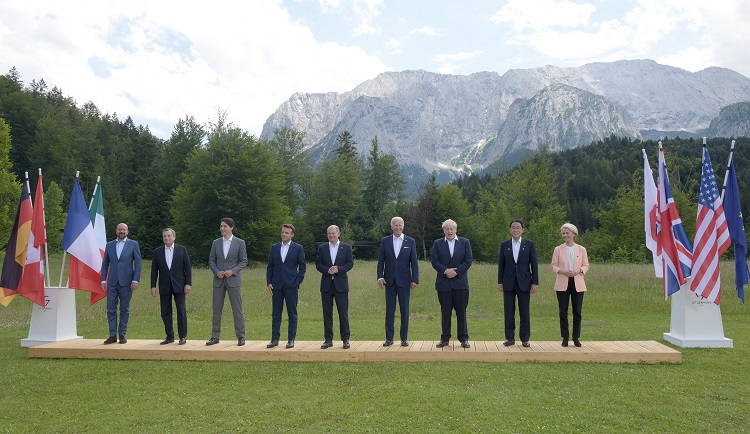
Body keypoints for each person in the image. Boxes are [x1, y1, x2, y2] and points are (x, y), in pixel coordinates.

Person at [377, 216, 419, 347]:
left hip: (405, 281)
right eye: (395, 225)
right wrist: (380, 277)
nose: (398, 227)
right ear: (391, 227)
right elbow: (380, 261)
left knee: (404, 311)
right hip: (389, 281)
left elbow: (414, 262)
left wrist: (415, 279)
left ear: (403, 226)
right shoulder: (385, 241)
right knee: (390, 311)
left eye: (400, 225)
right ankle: (389, 338)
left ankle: (404, 338)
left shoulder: (410, 241)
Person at [430, 219, 473, 349]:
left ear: (456, 230)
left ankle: (464, 338)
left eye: (451, 229)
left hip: (460, 284)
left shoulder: (465, 242)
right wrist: (445, 271)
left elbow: (468, 260)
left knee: (461, 312)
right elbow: (434, 261)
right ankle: (445, 338)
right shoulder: (437, 243)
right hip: (444, 284)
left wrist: (456, 272)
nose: (449, 231)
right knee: (445, 313)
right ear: (444, 230)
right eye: (447, 229)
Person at [207, 218, 248, 346]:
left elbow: (244, 261)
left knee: (237, 309)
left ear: (231, 227)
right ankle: (215, 337)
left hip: (233, 281)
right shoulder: (216, 243)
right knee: (216, 310)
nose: (222, 228)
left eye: (225, 226)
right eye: (221, 226)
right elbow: (211, 260)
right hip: (218, 281)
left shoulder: (240, 242)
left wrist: (233, 271)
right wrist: (216, 272)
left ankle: (241, 336)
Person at [498, 220, 538, 348]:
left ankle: (525, 338)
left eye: (518, 228)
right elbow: (501, 265)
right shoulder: (504, 245)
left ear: (522, 230)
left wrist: (535, 282)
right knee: (509, 312)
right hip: (508, 283)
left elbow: (534, 264)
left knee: (524, 311)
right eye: (513, 228)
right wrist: (500, 282)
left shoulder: (529, 244)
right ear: (509, 229)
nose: (516, 230)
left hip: (524, 282)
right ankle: (510, 338)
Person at [100, 223, 142, 344]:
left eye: (124, 229)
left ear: (127, 232)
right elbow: (105, 264)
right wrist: (103, 280)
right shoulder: (109, 245)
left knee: (124, 309)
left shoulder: (133, 244)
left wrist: (135, 280)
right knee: (110, 309)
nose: (121, 231)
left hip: (127, 282)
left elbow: (138, 263)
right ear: (116, 231)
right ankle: (112, 335)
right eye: (119, 229)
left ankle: (122, 334)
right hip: (112, 282)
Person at [266, 224, 306, 349]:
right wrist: (269, 282)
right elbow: (270, 266)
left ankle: (291, 340)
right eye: (282, 232)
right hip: (276, 285)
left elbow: (302, 267)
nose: (284, 234)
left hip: (291, 285)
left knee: (292, 314)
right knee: (276, 314)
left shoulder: (298, 248)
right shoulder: (275, 247)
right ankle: (274, 339)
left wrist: (297, 281)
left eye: (287, 233)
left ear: (292, 235)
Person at [150, 228, 192, 345]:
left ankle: (182, 336)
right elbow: (154, 271)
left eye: (169, 235)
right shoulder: (158, 252)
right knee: (165, 312)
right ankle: (169, 336)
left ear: (174, 237)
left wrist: (188, 283)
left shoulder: (182, 250)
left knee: (181, 310)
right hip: (164, 285)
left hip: (179, 285)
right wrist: (153, 286)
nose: (167, 238)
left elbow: (187, 268)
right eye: (164, 236)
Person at [551, 223, 589, 347]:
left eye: (567, 233)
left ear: (574, 234)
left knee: (577, 311)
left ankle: (576, 337)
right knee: (563, 311)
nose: (565, 235)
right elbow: (554, 265)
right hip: (562, 282)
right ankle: (565, 338)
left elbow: (586, 265)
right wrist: (562, 271)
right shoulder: (558, 249)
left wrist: (579, 271)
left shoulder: (581, 249)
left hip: (578, 282)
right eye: (563, 233)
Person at [316, 225, 354, 349]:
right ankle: (328, 339)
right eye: (329, 233)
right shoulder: (322, 248)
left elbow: (350, 263)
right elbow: (318, 264)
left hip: (341, 285)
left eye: (333, 233)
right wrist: (328, 270)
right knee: (327, 314)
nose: (331, 235)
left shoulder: (346, 247)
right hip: (326, 285)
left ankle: (345, 339)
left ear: (339, 233)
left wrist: (339, 269)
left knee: (343, 313)